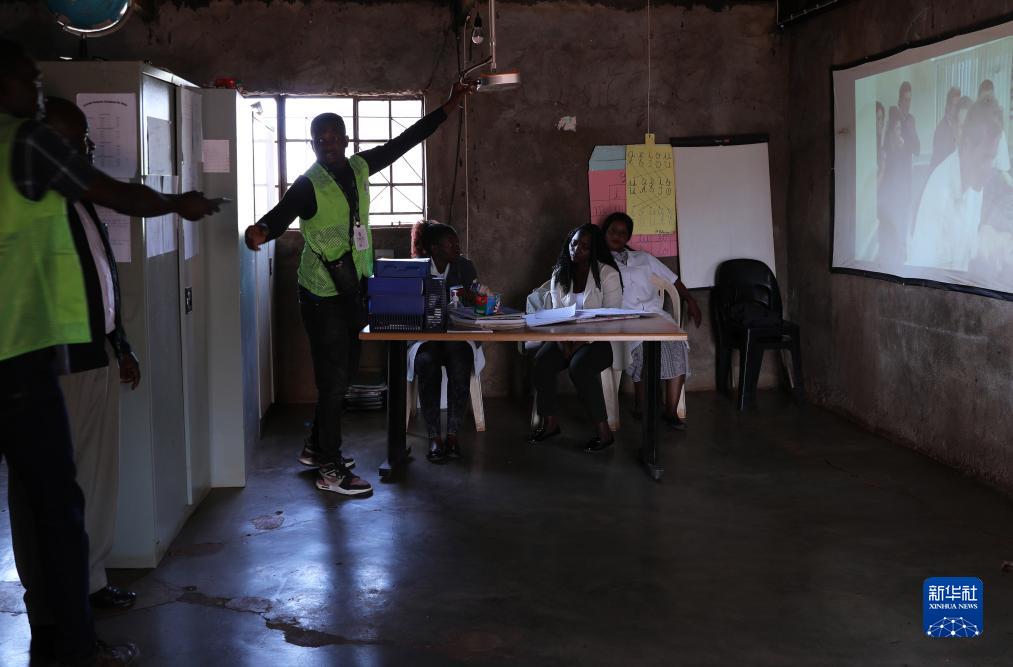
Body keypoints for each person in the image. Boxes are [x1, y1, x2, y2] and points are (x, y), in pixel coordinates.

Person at [0, 39, 218, 666]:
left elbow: (97, 281)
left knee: (54, 496)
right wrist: (178, 202)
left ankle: (67, 612)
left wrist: (118, 343)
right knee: (55, 505)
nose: (35, 88)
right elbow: (122, 197)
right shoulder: (29, 147)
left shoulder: (51, 190)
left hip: (60, 349)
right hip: (36, 355)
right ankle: (72, 638)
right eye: (27, 79)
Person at [244, 81, 474, 495]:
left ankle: (316, 447)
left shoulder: (360, 167)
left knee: (345, 373)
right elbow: (281, 214)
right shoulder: (308, 184)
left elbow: (406, 141)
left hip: (353, 287)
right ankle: (330, 469)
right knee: (333, 381)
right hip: (321, 294)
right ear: (312, 144)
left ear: (346, 140)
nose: (328, 144)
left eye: (334, 137)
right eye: (320, 139)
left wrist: (449, 106)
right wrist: (260, 231)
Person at [601, 212, 701, 429]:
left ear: (628, 237)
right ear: (604, 233)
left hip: (656, 316)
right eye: (612, 231)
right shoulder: (599, 262)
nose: (617, 236)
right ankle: (643, 405)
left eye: (622, 233)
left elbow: (673, 280)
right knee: (643, 350)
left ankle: (671, 412)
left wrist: (691, 300)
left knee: (677, 346)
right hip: (626, 320)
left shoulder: (643, 258)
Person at [528, 224, 622, 452]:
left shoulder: (608, 274)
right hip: (565, 339)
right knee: (541, 361)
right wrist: (564, 343)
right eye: (574, 243)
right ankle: (551, 423)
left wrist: (578, 343)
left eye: (585, 247)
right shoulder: (559, 274)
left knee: (579, 367)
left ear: (594, 250)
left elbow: (610, 318)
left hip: (599, 342)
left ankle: (604, 432)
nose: (577, 250)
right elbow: (555, 315)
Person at [408, 220, 484, 463]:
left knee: (460, 360)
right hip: (426, 338)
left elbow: (477, 303)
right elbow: (408, 308)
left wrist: (474, 297)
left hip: (457, 336)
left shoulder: (464, 267)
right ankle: (434, 437)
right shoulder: (416, 269)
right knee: (427, 361)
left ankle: (452, 435)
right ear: (434, 248)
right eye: (451, 243)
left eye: (457, 242)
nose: (457, 247)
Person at [908, 95, 1002, 271]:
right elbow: (924, 273)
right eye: (985, 158)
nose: (989, 169)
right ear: (966, 146)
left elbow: (966, 248)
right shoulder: (939, 192)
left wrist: (987, 238)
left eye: (992, 158)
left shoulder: (975, 184)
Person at [930, 86, 962, 170]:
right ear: (948, 107)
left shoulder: (959, 128)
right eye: (955, 106)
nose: (957, 110)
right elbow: (939, 160)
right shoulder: (941, 130)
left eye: (959, 106)